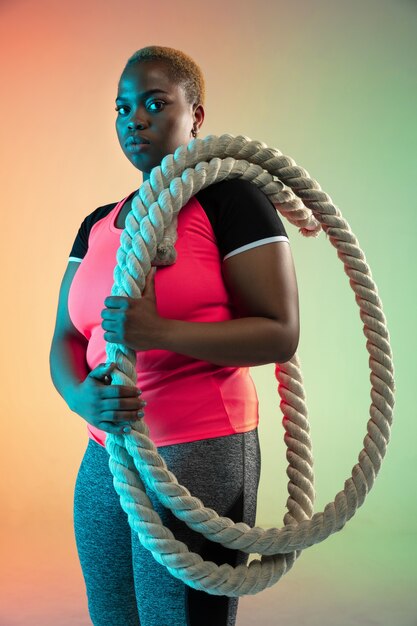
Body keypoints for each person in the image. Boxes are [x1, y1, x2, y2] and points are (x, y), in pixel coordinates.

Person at [49, 45, 300, 626]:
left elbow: (279, 333)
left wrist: (159, 331)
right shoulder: (97, 224)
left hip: (202, 449)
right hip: (106, 450)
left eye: (155, 103)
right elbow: (65, 336)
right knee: (112, 613)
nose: (134, 118)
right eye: (123, 107)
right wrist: (82, 396)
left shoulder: (232, 200)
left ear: (196, 115)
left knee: (179, 618)